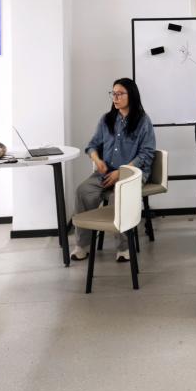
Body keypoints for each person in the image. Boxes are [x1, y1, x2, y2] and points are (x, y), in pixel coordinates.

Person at [72, 78, 156, 262]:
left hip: (132, 174)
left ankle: (124, 247)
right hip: (106, 172)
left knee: (117, 196)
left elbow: (146, 153)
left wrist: (122, 172)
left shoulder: (143, 121)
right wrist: (97, 160)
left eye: (120, 94)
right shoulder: (106, 119)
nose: (115, 98)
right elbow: (92, 145)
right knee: (83, 191)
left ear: (131, 95)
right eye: (113, 94)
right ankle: (82, 245)